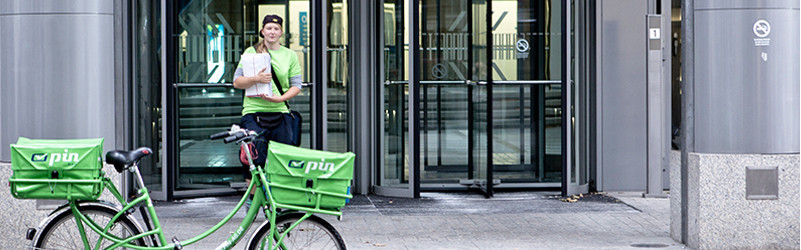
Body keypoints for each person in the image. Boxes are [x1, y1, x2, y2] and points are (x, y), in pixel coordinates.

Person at [233, 14, 302, 208]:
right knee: (253, 157)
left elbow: (297, 85)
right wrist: (256, 79)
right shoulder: (250, 52)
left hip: (280, 112)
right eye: (268, 28)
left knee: (282, 159)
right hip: (253, 112)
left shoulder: (289, 55)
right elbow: (237, 82)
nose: (272, 32)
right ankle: (253, 201)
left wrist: (280, 98)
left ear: (281, 32)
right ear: (262, 31)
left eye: (276, 29)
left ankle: (279, 202)